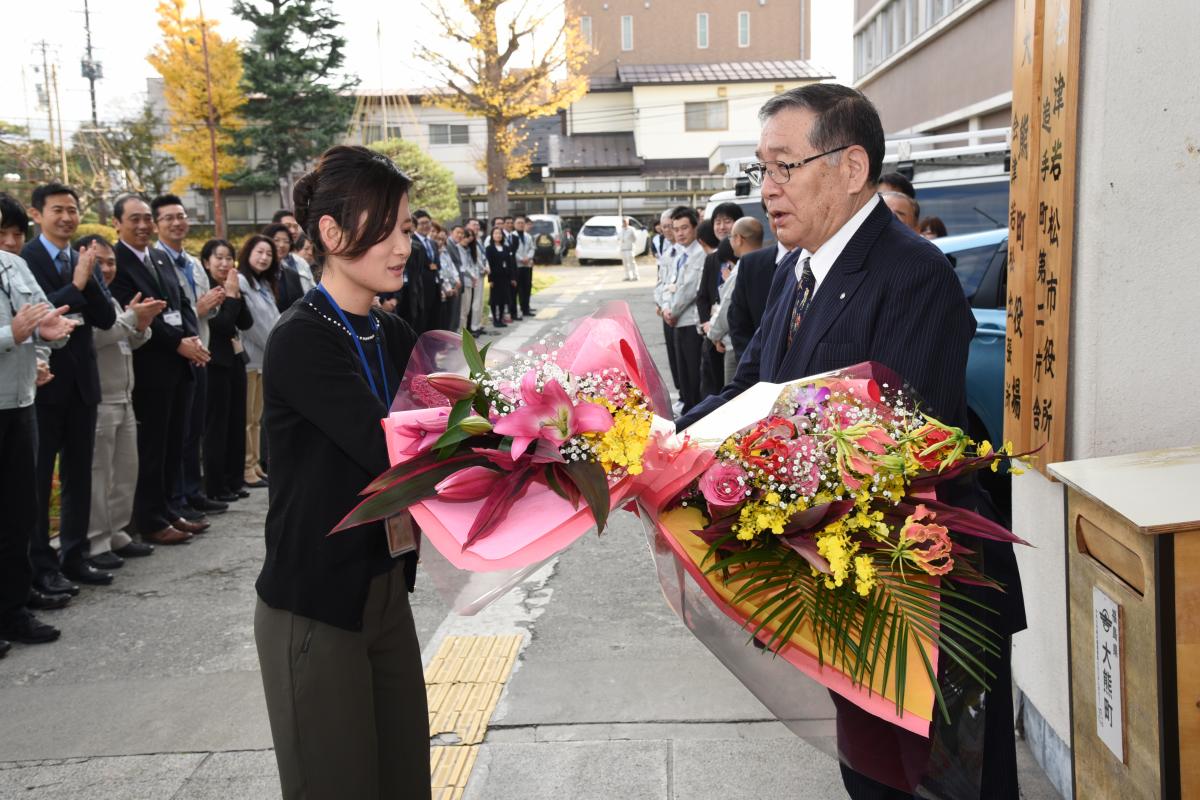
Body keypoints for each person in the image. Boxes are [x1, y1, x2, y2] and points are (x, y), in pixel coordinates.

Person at [677, 83, 1023, 800]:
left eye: (783, 167)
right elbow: (752, 390)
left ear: (852, 166)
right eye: (760, 171)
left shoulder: (910, 272)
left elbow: (897, 442)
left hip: (922, 597)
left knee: (939, 788)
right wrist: (657, 445)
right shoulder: (788, 271)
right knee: (870, 780)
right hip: (845, 595)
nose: (766, 190)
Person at [255, 144, 428, 799]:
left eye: (407, 229)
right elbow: (395, 451)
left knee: (405, 780)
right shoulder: (304, 338)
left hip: (385, 592)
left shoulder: (393, 334)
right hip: (316, 606)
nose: (402, 245)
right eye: (386, 228)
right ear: (331, 233)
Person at [22, 183, 119, 589]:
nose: (67, 217)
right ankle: (40, 565)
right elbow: (37, 312)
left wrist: (86, 280)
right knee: (40, 480)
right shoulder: (24, 258)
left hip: (82, 383)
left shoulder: (83, 256)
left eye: (72, 210)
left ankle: (75, 555)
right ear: (37, 214)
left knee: (80, 474)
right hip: (44, 384)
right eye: (57, 210)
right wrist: (76, 286)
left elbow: (105, 317)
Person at [108, 194, 208, 546]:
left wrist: (191, 339)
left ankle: (168, 508)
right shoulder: (116, 262)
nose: (142, 226)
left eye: (146, 218)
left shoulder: (161, 257)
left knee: (174, 442)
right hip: (149, 367)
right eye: (133, 219)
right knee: (152, 446)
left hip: (180, 365)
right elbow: (136, 314)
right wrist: (176, 342)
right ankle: (149, 517)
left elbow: (181, 304)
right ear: (117, 223)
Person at [0, 206, 79, 653]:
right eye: (3, 233)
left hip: (21, 402)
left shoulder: (16, 266)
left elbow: (43, 321)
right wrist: (11, 333)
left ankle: (15, 607)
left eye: (15, 232)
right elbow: (15, 330)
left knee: (19, 511)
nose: (10, 241)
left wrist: (53, 334)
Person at [85, 233, 162, 568]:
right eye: (98, 262)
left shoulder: (110, 299)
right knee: (99, 472)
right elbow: (95, 338)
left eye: (111, 261)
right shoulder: (84, 297)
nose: (106, 268)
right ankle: (96, 541)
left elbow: (124, 342)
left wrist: (141, 326)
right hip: (100, 397)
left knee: (126, 469)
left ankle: (117, 531)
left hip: (124, 395)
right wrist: (132, 320)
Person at [153, 194, 228, 520]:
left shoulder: (194, 263)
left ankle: (192, 492)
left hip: (202, 352)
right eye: (168, 217)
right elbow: (177, 313)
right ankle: (178, 497)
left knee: (194, 428)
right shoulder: (155, 261)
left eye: (180, 216)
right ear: (157, 224)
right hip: (175, 355)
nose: (177, 222)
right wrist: (201, 308)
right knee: (178, 433)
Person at [201, 239, 253, 503]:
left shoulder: (231, 287)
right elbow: (220, 325)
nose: (224, 263)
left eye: (228, 258)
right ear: (206, 262)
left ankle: (235, 479)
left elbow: (246, 321)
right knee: (216, 426)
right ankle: (215, 485)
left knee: (236, 422)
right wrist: (231, 298)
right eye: (218, 258)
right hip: (214, 362)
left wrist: (235, 295)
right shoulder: (206, 290)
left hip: (235, 361)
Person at [238, 235, 285, 488]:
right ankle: (246, 466)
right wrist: (276, 345)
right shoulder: (242, 281)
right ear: (248, 253)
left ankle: (254, 464)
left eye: (268, 254)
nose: (264, 257)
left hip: (263, 360)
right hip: (251, 359)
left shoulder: (264, 284)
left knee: (256, 418)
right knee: (247, 418)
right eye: (259, 252)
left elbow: (275, 319)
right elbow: (253, 326)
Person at [660, 206, 706, 413]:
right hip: (676, 319)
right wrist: (666, 308)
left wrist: (673, 310)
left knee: (694, 371)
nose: (679, 233)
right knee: (682, 371)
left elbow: (689, 289)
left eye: (684, 228)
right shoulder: (680, 255)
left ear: (695, 227)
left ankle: (695, 409)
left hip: (690, 321)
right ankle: (687, 405)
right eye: (676, 229)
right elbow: (670, 284)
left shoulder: (700, 254)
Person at [708, 216, 765, 384]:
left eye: (732, 237)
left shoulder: (743, 267)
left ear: (739, 239)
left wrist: (713, 334)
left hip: (737, 346)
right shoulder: (768, 262)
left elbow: (728, 308)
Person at [696, 202, 744, 397]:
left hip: (731, 338)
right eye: (717, 222)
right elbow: (702, 297)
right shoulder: (712, 259)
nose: (722, 227)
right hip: (711, 333)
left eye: (727, 221)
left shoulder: (746, 257)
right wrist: (708, 326)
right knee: (710, 385)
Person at [652, 208, 682, 404]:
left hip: (677, 311)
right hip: (666, 309)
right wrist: (660, 303)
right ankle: (680, 393)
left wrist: (668, 307)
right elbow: (661, 281)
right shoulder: (667, 250)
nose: (668, 231)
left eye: (671, 226)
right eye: (664, 227)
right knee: (673, 355)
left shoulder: (682, 250)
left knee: (682, 359)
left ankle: (685, 395)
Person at [270, 209, 317, 291]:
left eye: (295, 227)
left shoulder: (301, 262)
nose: (293, 231)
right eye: (287, 226)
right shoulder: (265, 261)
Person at [485, 226, 516, 328]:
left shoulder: (506, 248)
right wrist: (490, 279)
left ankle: (501, 318)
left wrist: (512, 277)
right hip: (495, 277)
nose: (498, 235)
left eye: (499, 233)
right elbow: (488, 264)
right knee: (494, 299)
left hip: (505, 277)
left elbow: (510, 263)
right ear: (492, 236)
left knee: (503, 298)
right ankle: (495, 319)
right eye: (495, 233)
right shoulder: (489, 249)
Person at [513, 215, 536, 316]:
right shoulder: (511, 236)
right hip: (517, 265)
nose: (521, 225)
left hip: (527, 265)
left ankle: (526, 308)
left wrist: (528, 257)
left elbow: (532, 248)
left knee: (527, 287)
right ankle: (517, 310)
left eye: (522, 223)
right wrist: (521, 259)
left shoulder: (528, 236)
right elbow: (512, 251)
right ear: (515, 224)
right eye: (518, 223)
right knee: (519, 289)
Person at [619, 217, 638, 282]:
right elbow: (618, 238)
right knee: (625, 264)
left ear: (628, 222)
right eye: (623, 221)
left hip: (630, 249)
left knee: (632, 263)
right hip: (623, 248)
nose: (624, 223)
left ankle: (635, 276)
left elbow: (635, 238)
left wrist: (632, 244)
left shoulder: (631, 229)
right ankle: (628, 276)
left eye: (626, 221)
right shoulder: (620, 229)